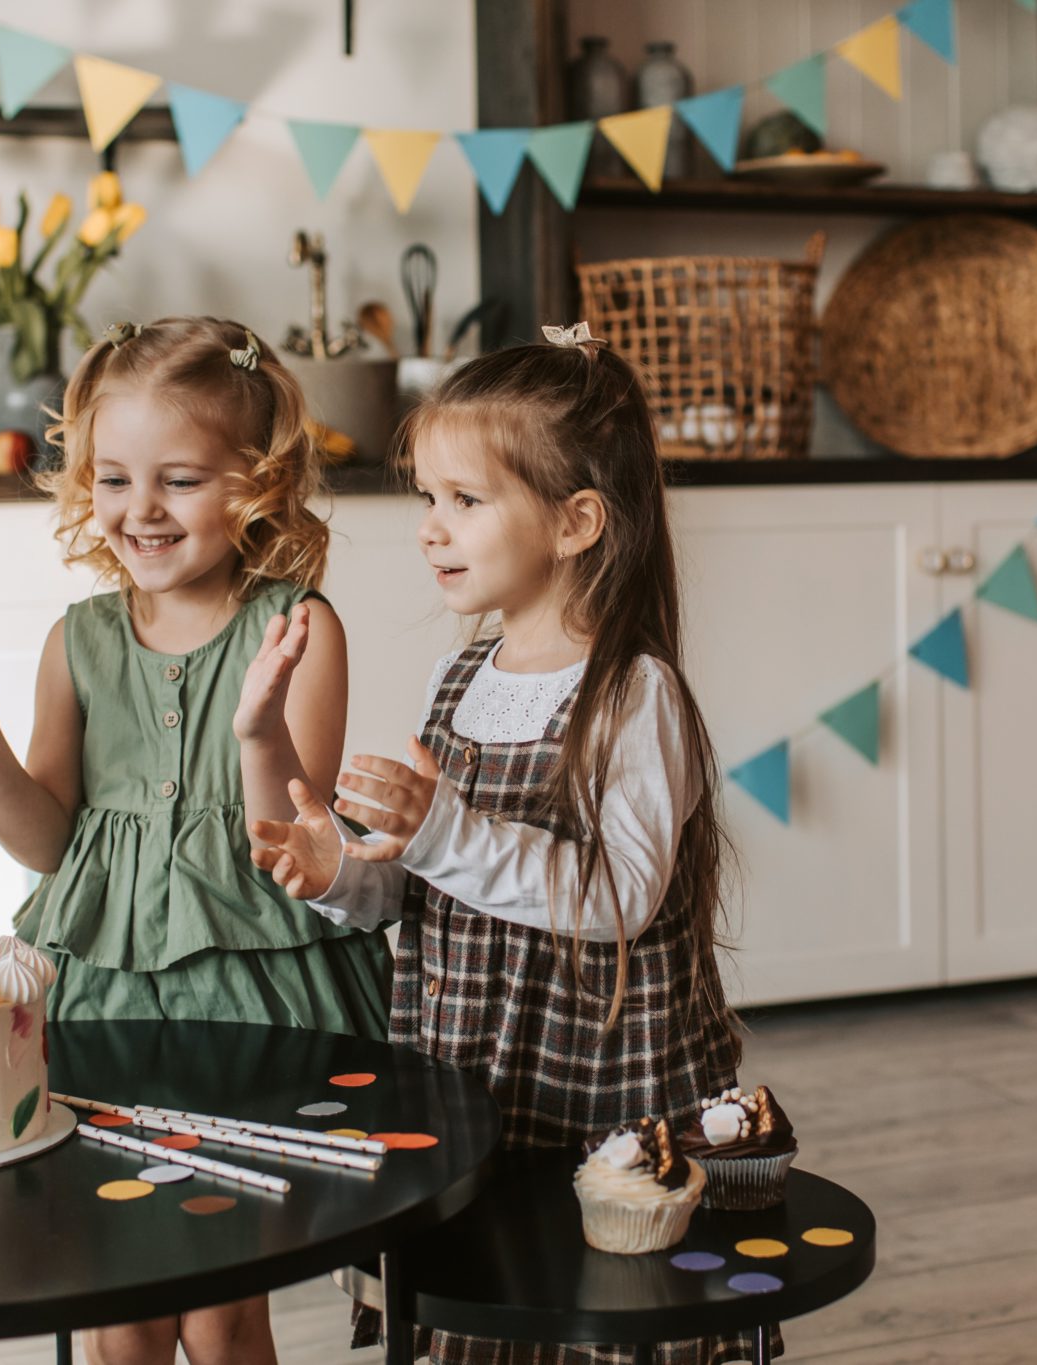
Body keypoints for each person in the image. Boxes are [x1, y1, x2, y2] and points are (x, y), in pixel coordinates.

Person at [0, 316, 392, 1365]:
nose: (139, 511)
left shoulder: (297, 628)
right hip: (103, 999)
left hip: (251, 1007)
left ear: (256, 482)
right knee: (112, 1298)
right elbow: (47, 845)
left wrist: (251, 732)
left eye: (180, 480)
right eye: (112, 479)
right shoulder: (79, 641)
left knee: (221, 1303)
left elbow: (287, 848)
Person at [249, 331, 769, 1364]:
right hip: (471, 1067)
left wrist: (439, 827)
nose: (430, 530)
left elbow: (618, 895)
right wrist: (347, 876)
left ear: (575, 521)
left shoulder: (633, 694)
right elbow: (429, 892)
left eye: (465, 501)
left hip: (596, 1080)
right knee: (480, 1301)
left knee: (584, 1303)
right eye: (425, 500)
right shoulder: (461, 682)